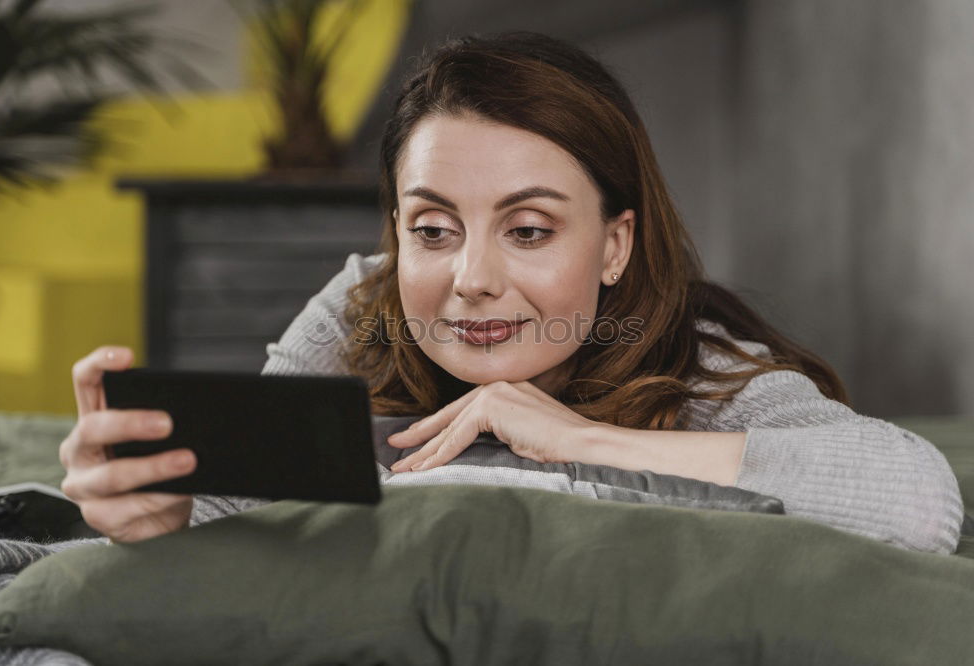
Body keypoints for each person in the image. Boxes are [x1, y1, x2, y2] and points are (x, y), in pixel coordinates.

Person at [58, 31, 963, 554]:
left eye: (528, 231)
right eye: (433, 230)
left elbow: (918, 503)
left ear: (615, 245)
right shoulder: (364, 307)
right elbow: (230, 502)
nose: (471, 279)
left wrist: (578, 439)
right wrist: (150, 502)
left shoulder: (699, 362)